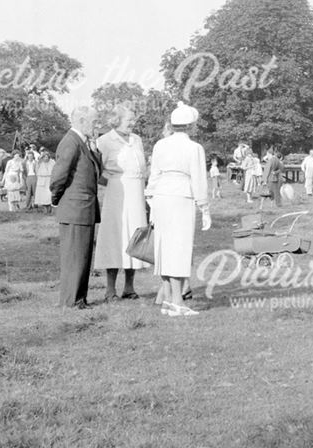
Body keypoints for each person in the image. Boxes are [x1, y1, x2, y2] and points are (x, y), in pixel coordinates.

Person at [146, 102, 210, 317]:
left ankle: (168, 300)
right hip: (181, 196)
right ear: (190, 126)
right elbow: (199, 179)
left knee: (165, 247)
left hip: (161, 197)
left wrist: (151, 198)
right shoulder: (194, 148)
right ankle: (177, 301)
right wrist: (204, 207)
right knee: (179, 248)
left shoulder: (160, 145)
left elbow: (153, 175)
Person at [95, 104, 149, 303]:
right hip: (117, 194)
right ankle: (110, 290)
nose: (133, 123)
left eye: (134, 120)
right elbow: (96, 171)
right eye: (129, 120)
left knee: (134, 237)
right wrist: (113, 184)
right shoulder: (104, 141)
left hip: (137, 192)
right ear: (116, 120)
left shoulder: (137, 140)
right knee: (115, 237)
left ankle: (129, 287)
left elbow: (142, 168)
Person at [50, 107, 103, 309]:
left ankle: (79, 299)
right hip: (75, 208)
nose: (96, 126)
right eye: (94, 121)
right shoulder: (71, 142)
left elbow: (98, 171)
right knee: (74, 257)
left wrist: (95, 147)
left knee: (82, 256)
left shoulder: (83, 142)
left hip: (84, 208)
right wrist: (56, 198)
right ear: (82, 120)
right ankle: (71, 301)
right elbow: (59, 176)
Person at [35, 148, 54, 214]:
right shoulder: (40, 162)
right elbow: (36, 171)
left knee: (49, 194)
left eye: (47, 157)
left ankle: (49, 208)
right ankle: (45, 209)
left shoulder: (52, 162)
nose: (46, 158)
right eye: (45, 157)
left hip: (49, 179)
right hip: (42, 180)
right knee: (42, 196)